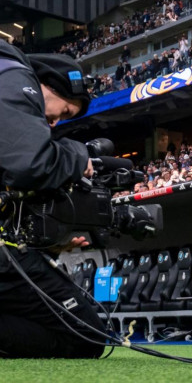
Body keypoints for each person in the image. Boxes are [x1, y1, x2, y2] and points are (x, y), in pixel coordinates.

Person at [0, 40, 106, 358]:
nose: (57, 122)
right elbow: (30, 165)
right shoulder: (15, 76)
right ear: (47, 85)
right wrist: (77, 155)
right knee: (87, 335)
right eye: (65, 111)